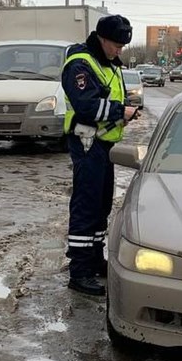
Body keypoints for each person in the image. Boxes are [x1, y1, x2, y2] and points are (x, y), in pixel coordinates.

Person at [61, 15, 140, 297]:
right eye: (116, 45)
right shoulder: (80, 63)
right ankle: (79, 271)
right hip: (87, 142)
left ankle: (94, 260)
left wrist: (125, 107)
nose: (119, 50)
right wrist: (121, 111)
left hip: (102, 145)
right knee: (86, 206)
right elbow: (86, 106)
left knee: (101, 204)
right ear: (102, 39)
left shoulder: (107, 63)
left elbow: (107, 96)